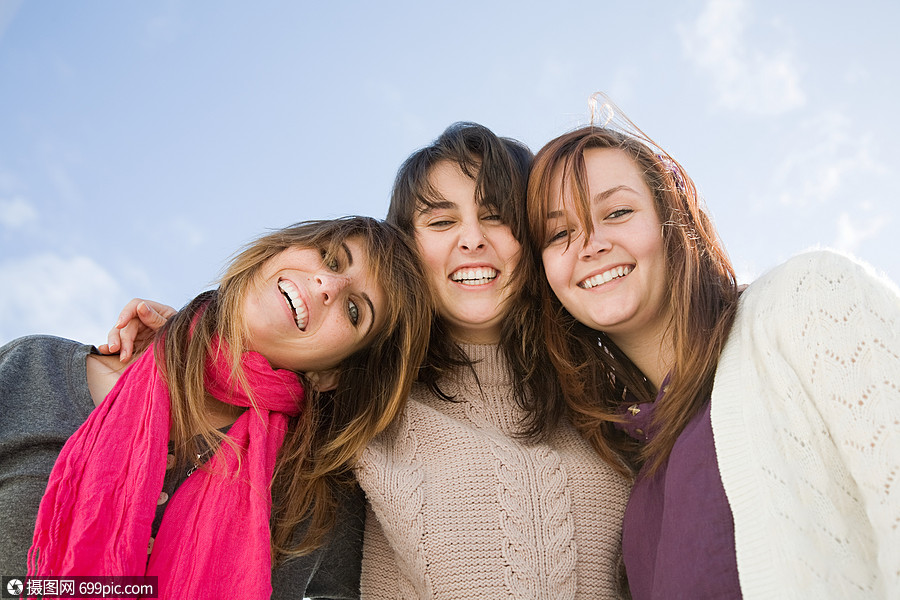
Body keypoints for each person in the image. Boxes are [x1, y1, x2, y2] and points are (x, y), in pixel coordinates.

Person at [103, 124, 633, 599]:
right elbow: (273, 353)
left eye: (496, 217)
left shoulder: (609, 403)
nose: (472, 239)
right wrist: (186, 336)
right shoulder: (364, 404)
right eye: (441, 220)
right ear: (405, 251)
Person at [526, 120, 900, 598]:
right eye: (559, 234)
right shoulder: (633, 485)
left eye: (618, 211)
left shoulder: (807, 296)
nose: (590, 245)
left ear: (672, 217)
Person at [0, 216, 430, 600]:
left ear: (331, 373)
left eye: (355, 311)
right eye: (331, 259)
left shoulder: (315, 501)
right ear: (275, 252)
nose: (328, 285)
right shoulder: (34, 369)